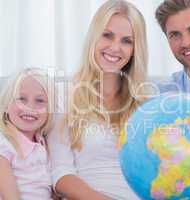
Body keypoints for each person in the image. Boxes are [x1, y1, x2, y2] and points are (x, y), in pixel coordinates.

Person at [47, 0, 148, 199]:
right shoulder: (63, 96)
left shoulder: (146, 103)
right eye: (107, 35)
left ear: (136, 49)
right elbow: (61, 174)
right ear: (94, 36)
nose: (115, 47)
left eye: (127, 41)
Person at [0, 68, 54, 200]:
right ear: (6, 105)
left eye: (40, 101)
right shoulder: (4, 143)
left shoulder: (44, 144)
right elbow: (10, 196)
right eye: (21, 99)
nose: (30, 107)